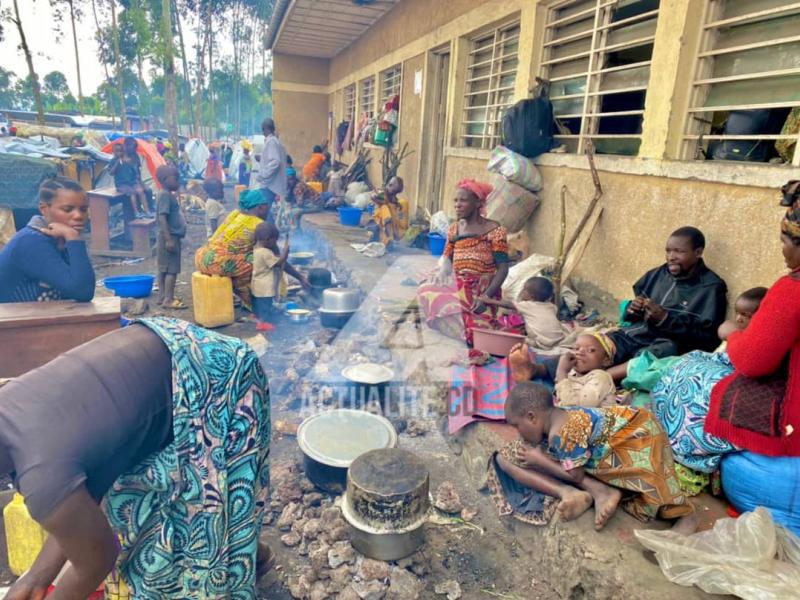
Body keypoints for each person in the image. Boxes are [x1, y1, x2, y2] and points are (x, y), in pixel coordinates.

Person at [0, 318, 272, 599]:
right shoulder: (9, 406)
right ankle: (248, 555)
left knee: (193, 549)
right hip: (168, 353)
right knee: (134, 513)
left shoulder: (42, 474)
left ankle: (242, 563)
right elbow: (75, 510)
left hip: (219, 378)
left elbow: (96, 560)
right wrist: (34, 579)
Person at [509, 227, 728, 384]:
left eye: (679, 252)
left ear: (698, 252)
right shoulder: (659, 274)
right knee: (593, 346)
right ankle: (536, 369)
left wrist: (666, 320)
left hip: (670, 346)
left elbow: (708, 340)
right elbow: (633, 314)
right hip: (637, 333)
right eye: (669, 251)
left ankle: (600, 379)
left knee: (651, 357)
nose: (671, 257)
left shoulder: (711, 287)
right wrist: (633, 310)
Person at [499, 382, 696, 532]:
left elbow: (574, 476)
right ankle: (601, 490)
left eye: (517, 426)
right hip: (637, 422)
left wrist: (540, 460)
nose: (517, 432)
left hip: (638, 438)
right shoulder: (561, 414)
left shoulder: (560, 435)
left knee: (658, 490)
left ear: (532, 417)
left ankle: (686, 516)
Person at [653, 287, 768, 475]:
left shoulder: (767, 337)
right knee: (686, 364)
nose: (739, 319)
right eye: (737, 313)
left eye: (746, 315)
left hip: (743, 380)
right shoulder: (738, 330)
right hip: (723, 366)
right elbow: (723, 338)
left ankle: (687, 444)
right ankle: (668, 430)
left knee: (712, 386)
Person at [417, 179, 509, 346]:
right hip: (458, 281)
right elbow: (446, 258)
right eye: (456, 200)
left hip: (481, 287)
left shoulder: (495, 230)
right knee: (425, 289)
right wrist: (442, 272)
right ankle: (464, 328)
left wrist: (486, 297)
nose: (457, 205)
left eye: (463, 200)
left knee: (461, 309)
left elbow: (503, 268)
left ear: (478, 203)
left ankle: (464, 326)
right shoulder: (454, 228)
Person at [0, 177, 95, 303]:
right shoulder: (31, 241)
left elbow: (83, 284)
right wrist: (72, 236)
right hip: (11, 321)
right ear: (44, 209)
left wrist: (70, 239)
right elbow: (83, 291)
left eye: (83, 209)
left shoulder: (58, 239)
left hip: (34, 317)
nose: (78, 216)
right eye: (68, 209)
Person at [195, 189, 271, 310]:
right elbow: (269, 254)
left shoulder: (235, 214)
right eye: (268, 207)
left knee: (244, 259)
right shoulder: (259, 224)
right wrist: (299, 277)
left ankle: (246, 298)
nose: (269, 210)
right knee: (262, 260)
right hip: (218, 262)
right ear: (261, 207)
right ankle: (256, 301)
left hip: (203, 256)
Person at [479, 276, 571, 354]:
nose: (522, 291)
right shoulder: (552, 307)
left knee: (517, 340)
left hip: (543, 343)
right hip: (559, 339)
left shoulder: (527, 305)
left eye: (524, 290)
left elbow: (508, 305)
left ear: (531, 296)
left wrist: (490, 301)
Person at [251, 222, 309, 331]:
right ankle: (262, 323)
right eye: (275, 240)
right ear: (268, 239)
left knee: (259, 304)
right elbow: (278, 263)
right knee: (265, 306)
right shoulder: (265, 252)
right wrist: (285, 254)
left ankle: (256, 317)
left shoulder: (256, 249)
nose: (276, 242)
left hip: (257, 284)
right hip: (265, 287)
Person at [553, 333, 617, 408]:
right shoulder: (571, 374)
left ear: (606, 361)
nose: (580, 352)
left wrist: (561, 373)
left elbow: (578, 409)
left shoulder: (601, 377)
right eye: (576, 348)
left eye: (591, 350)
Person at [155, 165, 187, 309]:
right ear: (165, 179)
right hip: (170, 236)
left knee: (163, 268)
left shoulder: (166, 194)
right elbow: (162, 217)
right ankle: (168, 299)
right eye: (176, 178)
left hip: (167, 236)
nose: (179, 181)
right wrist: (168, 239)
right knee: (171, 270)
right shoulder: (165, 195)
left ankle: (162, 296)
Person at [255, 118, 288, 218]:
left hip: (269, 185)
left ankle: (269, 232)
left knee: (263, 212)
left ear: (265, 129)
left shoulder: (272, 142)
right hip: (270, 184)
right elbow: (273, 159)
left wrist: (263, 175)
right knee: (266, 211)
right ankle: (271, 231)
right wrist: (261, 158)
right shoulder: (273, 141)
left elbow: (275, 162)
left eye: (263, 130)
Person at [110, 138, 151, 218]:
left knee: (141, 191)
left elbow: (135, 172)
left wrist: (139, 183)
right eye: (117, 151)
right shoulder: (114, 161)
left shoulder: (131, 158)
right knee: (132, 193)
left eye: (120, 151)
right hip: (121, 184)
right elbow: (111, 173)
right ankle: (136, 212)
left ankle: (147, 211)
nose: (119, 153)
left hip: (131, 182)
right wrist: (118, 163)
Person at [367, 176, 410, 246]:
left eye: (395, 192)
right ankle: (389, 237)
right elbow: (373, 196)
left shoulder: (394, 199)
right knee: (384, 208)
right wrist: (378, 199)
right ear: (389, 185)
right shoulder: (382, 194)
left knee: (403, 203)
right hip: (378, 226)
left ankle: (394, 236)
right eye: (393, 190)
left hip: (392, 227)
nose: (394, 194)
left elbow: (396, 215)